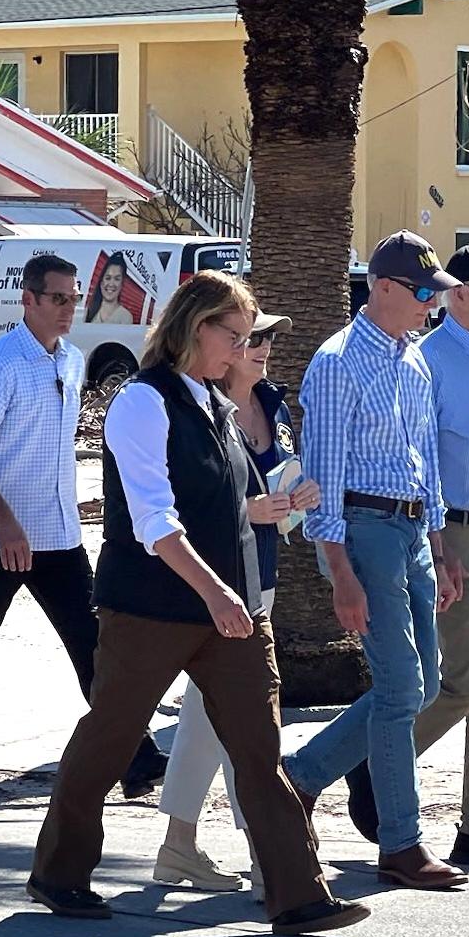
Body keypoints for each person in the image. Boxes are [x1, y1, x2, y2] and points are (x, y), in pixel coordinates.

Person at [27, 271, 366, 936]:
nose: (241, 351)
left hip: (231, 610)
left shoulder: (216, 405)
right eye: (232, 336)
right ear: (192, 326)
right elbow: (155, 522)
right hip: (150, 607)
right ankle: (58, 873)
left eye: (247, 339)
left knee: (259, 752)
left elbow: (228, 511)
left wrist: (279, 512)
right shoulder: (141, 403)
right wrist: (215, 591)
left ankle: (298, 897)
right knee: (110, 738)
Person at [0, 251, 166, 799]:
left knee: (94, 645)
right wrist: (4, 523)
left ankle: (137, 757)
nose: (66, 309)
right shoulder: (0, 363)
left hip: (57, 536)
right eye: (56, 298)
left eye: (73, 299)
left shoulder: (72, 361)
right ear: (26, 299)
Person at [342, 244, 469, 870]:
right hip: (451, 533)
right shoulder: (429, 360)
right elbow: (419, 460)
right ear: (459, 293)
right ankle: (374, 767)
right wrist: (440, 545)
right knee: (458, 682)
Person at [283, 231, 469, 891]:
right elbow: (323, 485)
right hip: (364, 530)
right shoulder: (335, 364)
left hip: (412, 533)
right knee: (398, 690)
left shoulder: (412, 360)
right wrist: (340, 575)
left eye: (436, 294)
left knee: (419, 685)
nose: (431, 305)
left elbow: (426, 462)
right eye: (423, 293)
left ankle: (299, 777)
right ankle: (401, 842)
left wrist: (441, 551)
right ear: (382, 289)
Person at [151, 310, 320, 892]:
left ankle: (178, 845)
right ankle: (268, 857)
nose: (263, 347)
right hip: (214, 580)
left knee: (205, 716)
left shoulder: (274, 405)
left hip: (260, 573)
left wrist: (299, 499)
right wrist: (245, 511)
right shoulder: (198, 408)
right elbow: (179, 501)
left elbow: (279, 486)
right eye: (250, 338)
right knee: (250, 716)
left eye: (269, 337)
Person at [86, 253, 135, 326]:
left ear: (122, 284)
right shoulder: (87, 312)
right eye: (108, 278)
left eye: (117, 279)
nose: (111, 284)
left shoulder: (126, 317)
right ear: (101, 282)